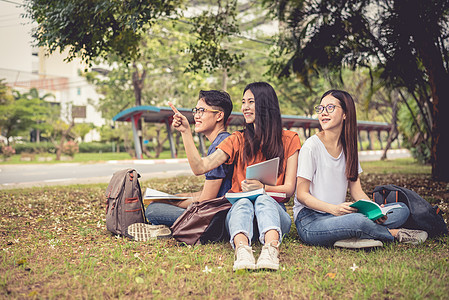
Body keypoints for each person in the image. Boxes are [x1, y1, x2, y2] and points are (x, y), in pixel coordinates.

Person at [171, 82, 301, 271]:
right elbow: (201, 166)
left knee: (264, 200)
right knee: (242, 202)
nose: (245, 107)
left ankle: (271, 250)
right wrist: (185, 132)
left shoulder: (290, 139)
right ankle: (242, 251)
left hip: (274, 216)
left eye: (251, 102)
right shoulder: (237, 140)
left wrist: (262, 189)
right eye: (243, 102)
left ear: (265, 104)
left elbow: (289, 189)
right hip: (241, 217)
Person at [294, 89, 428, 248]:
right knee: (357, 221)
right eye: (321, 108)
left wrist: (375, 211)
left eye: (330, 107)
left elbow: (356, 191)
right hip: (311, 220)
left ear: (345, 114)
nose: (323, 113)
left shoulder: (348, 148)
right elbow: (302, 195)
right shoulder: (311, 146)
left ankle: (352, 235)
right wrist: (333, 209)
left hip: (340, 216)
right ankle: (393, 233)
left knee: (401, 209)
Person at [127, 90, 234, 241]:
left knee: (153, 210)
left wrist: (174, 203)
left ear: (219, 115)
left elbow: (205, 201)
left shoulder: (221, 146)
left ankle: (174, 229)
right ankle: (170, 228)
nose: (196, 115)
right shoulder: (224, 141)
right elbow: (210, 192)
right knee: (160, 205)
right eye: (196, 110)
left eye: (202, 110)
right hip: (219, 214)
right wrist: (174, 198)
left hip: (215, 222)